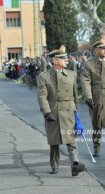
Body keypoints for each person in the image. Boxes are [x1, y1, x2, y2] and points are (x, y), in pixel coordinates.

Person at [37, 45, 85, 176]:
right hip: (53, 111)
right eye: (62, 58)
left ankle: (75, 164)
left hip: (69, 111)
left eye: (65, 57)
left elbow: (75, 94)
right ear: (55, 61)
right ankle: (54, 165)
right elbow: (42, 96)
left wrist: (75, 110)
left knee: (71, 139)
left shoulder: (71, 74)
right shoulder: (44, 76)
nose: (66, 60)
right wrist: (46, 112)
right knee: (54, 142)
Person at [81, 36, 105, 159]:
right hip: (96, 97)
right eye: (102, 48)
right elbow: (85, 80)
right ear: (96, 50)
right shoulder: (89, 64)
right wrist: (88, 97)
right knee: (96, 124)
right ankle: (97, 147)